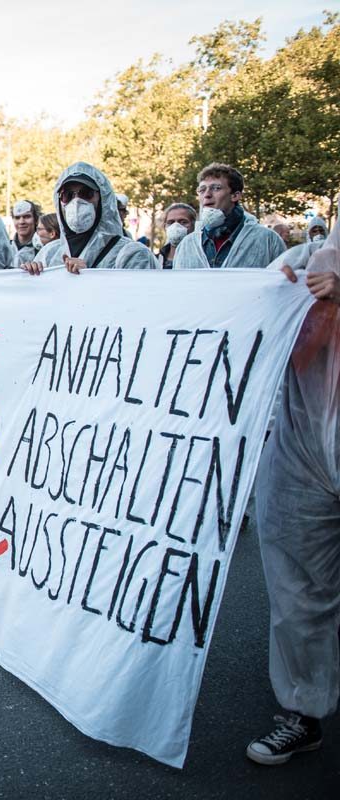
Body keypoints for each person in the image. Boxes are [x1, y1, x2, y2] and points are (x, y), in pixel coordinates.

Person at [247, 223, 340, 765]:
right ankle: (302, 712)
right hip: (303, 445)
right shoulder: (308, 260)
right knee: (297, 584)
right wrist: (278, 294)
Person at [20, 162, 157, 275]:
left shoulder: (132, 253)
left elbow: (140, 301)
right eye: (67, 195)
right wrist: (31, 275)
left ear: (103, 199)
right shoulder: (49, 253)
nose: (77, 201)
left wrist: (92, 278)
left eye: (86, 193)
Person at [172, 162, 285, 270]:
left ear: (235, 195)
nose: (207, 195)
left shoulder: (268, 240)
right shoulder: (187, 245)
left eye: (216, 188)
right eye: (202, 190)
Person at [158, 203, 197, 269]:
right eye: (170, 222)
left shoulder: (201, 258)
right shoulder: (157, 260)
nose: (176, 226)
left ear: (194, 226)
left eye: (183, 222)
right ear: (165, 227)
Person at [10, 200, 43, 265]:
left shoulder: (43, 248)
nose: (21, 222)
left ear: (36, 219)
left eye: (27, 217)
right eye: (17, 218)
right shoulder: (5, 248)